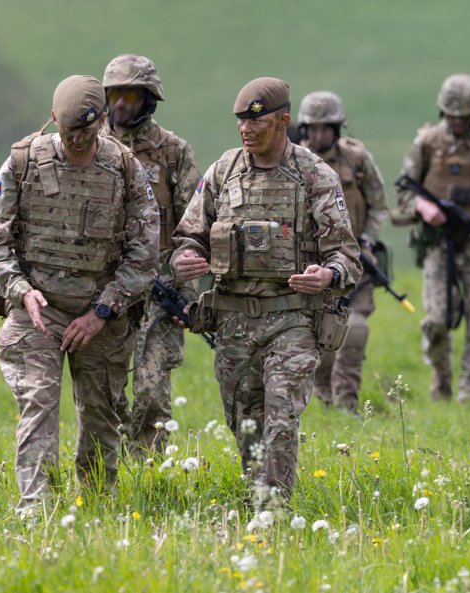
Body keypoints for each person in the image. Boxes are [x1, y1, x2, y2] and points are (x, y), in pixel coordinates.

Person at [170, 77, 361, 499]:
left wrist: (327, 276)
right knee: (245, 423)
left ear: (284, 122)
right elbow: (188, 235)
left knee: (280, 418)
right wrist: (184, 259)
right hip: (233, 321)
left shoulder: (314, 176)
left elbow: (347, 256)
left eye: (257, 122)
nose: (247, 130)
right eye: (241, 122)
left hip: (292, 318)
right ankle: (257, 496)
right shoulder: (224, 171)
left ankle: (273, 511)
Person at [0, 75, 158, 516]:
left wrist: (102, 310)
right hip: (37, 311)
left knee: (101, 416)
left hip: (102, 311)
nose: (74, 141)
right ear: (54, 122)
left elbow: (145, 251)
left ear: (101, 121)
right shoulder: (23, 163)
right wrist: (21, 292)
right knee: (39, 404)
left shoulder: (125, 168)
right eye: (66, 132)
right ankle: (35, 513)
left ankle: (96, 509)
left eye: (84, 131)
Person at [394, 74, 470, 403]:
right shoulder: (427, 142)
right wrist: (423, 206)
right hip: (438, 244)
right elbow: (403, 191)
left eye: (464, 117)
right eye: (452, 116)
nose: (458, 122)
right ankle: (442, 377)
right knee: (437, 320)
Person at [102, 54, 201, 452]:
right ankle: (104, 472)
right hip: (104, 288)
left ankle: (149, 475)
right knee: (104, 392)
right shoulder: (90, 145)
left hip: (160, 288)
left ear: (148, 99)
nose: (121, 103)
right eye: (114, 94)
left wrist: (188, 298)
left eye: (130, 94)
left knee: (152, 390)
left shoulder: (173, 151)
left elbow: (196, 226)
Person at [291, 91, 388, 412]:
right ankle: (325, 398)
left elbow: (378, 205)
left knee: (355, 330)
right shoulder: (292, 161)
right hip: (310, 267)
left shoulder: (357, 160)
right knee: (321, 342)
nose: (318, 135)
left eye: (325, 128)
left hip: (353, 262)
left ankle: (347, 403)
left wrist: (368, 243)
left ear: (337, 128)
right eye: (312, 128)